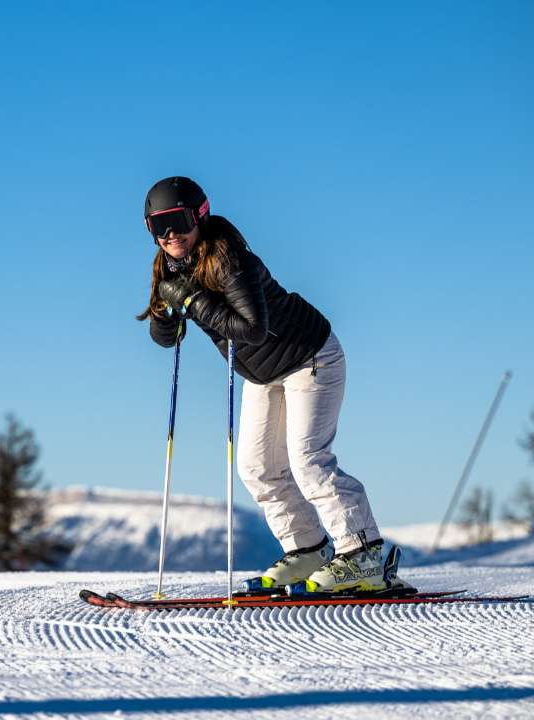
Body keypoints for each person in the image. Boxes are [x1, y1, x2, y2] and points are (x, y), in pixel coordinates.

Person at [138, 176, 398, 593]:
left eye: (178, 221)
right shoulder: (168, 265)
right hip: (263, 372)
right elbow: (165, 337)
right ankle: (308, 550)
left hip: (309, 355)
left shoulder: (228, 257)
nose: (170, 235)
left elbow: (253, 330)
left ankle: (364, 554)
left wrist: (193, 302)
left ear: (199, 217)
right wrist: (166, 315)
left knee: (308, 458)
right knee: (257, 468)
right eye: (157, 226)